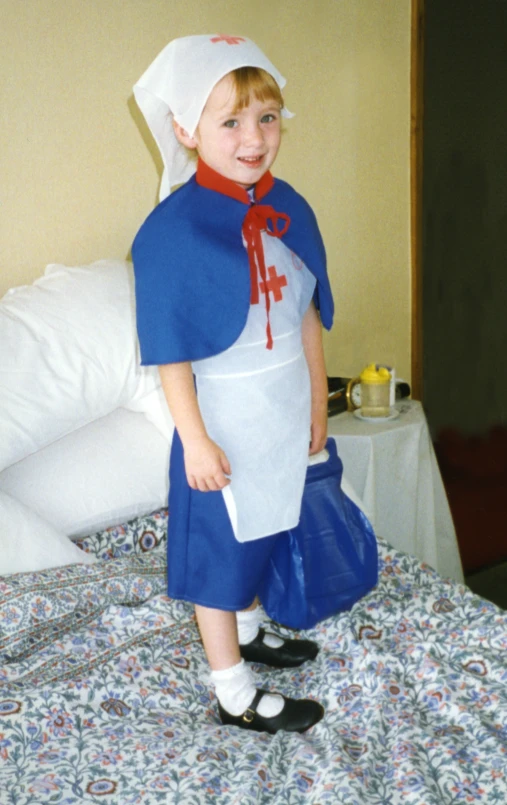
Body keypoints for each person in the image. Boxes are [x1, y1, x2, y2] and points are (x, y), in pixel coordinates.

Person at [132, 34, 334, 734]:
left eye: (268, 116)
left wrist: (316, 398)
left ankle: (248, 628)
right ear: (186, 129)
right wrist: (194, 440)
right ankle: (232, 691)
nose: (254, 138)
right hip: (219, 423)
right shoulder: (171, 233)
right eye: (229, 121)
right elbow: (171, 355)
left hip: (279, 412)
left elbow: (306, 312)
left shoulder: (290, 208)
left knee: (267, 527)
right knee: (220, 551)